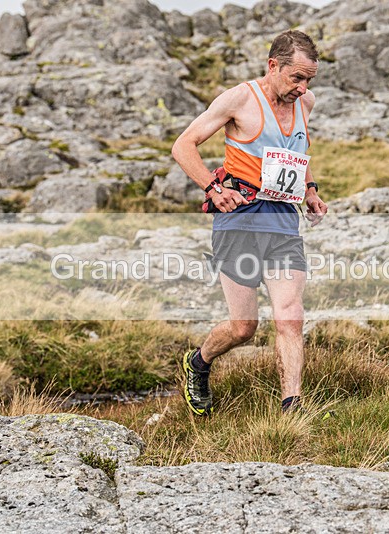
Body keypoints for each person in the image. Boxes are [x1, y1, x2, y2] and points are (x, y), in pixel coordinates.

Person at [171, 29, 327, 416]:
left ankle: (292, 409)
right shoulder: (240, 99)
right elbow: (183, 145)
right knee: (243, 328)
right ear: (273, 66)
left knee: (290, 315)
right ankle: (199, 363)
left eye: (309, 79)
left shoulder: (305, 103)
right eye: (297, 77)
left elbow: (297, 152)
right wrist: (212, 187)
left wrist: (309, 191)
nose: (303, 87)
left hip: (282, 221)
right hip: (239, 219)